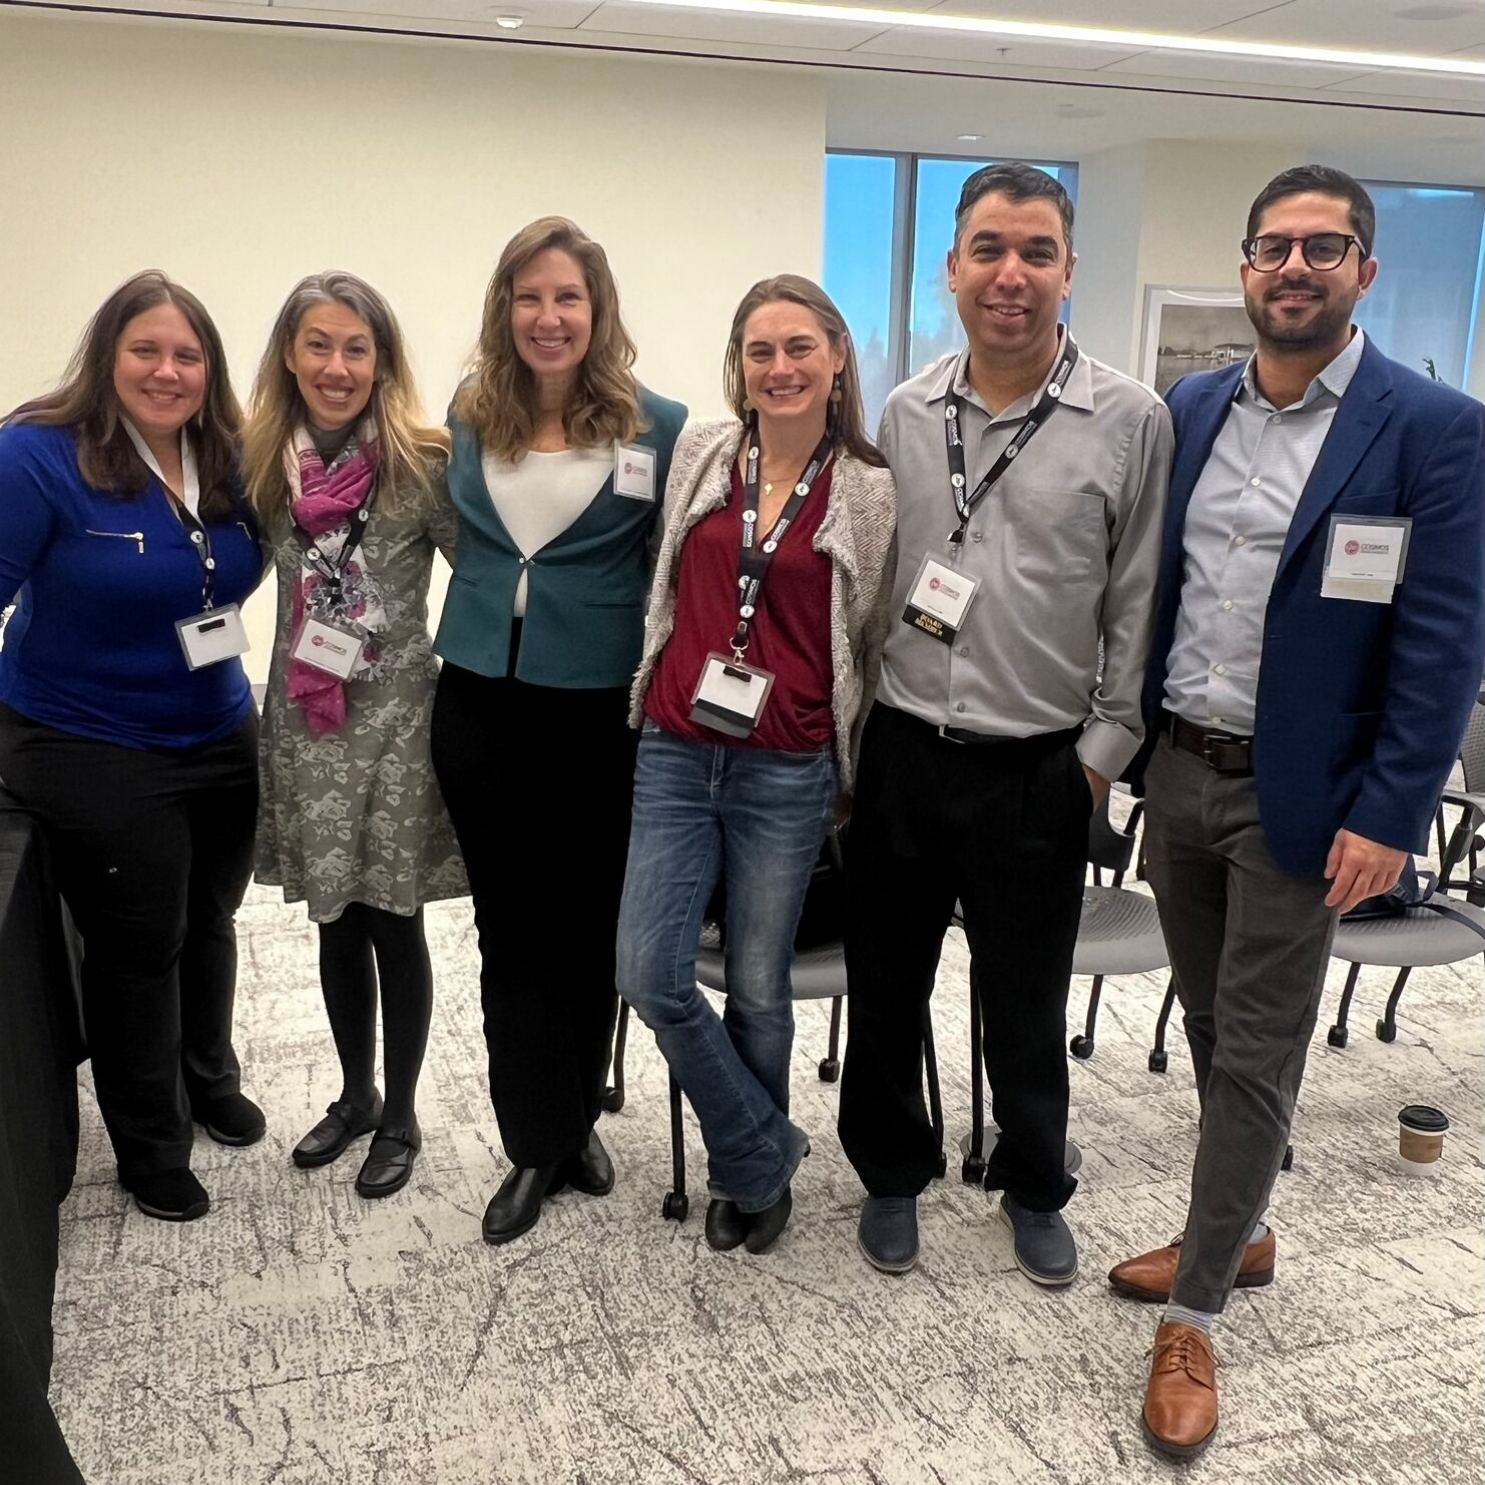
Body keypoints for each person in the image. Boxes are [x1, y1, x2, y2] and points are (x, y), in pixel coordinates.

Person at [1111, 165, 1485, 1459]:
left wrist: (1392, 811)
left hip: (1309, 795)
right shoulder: (1193, 405)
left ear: (1364, 272)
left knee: (1260, 1049)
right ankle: (1243, 1220)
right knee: (1216, 1024)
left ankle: (1200, 1312)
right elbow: (1155, 585)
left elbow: (1437, 646)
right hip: (1181, 770)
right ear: (1245, 266)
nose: (1296, 267)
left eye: (1325, 247)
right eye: (1274, 246)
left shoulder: (1429, 426)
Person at [838, 162, 1173, 1285]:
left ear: (1070, 271)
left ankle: (1033, 1180)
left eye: (1036, 252)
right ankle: (893, 1174)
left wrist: (1097, 764)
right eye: (988, 249)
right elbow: (882, 587)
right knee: (884, 986)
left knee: (1024, 1000)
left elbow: (1135, 602)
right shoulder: (903, 406)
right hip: (902, 749)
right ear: (953, 268)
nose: (1011, 275)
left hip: (1039, 766)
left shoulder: (1132, 420)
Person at [617, 276, 896, 1255]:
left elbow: (865, 631)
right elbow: (664, 583)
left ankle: (750, 1180)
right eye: (760, 350)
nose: (778, 368)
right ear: (737, 364)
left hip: (787, 766)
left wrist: (839, 749)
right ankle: (760, 1149)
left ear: (835, 357)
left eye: (798, 348)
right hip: (677, 746)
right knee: (648, 970)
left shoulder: (864, 484)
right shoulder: (699, 452)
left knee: (760, 985)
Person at [430, 217, 686, 1245]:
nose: (548, 316)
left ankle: (576, 1114)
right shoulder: (467, 414)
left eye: (567, 298)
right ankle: (535, 1139)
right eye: (529, 297)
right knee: (512, 929)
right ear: (506, 308)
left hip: (601, 712)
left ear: (597, 310)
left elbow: (676, 571)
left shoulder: (657, 426)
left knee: (590, 930)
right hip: (483, 704)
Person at [0, 270, 265, 1222]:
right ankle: (150, 1143)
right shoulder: (36, 453)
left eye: (187, 354)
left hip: (218, 719)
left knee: (211, 916)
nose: (167, 370)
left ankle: (207, 1075)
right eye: (145, 350)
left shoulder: (232, 453)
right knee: (138, 942)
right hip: (88, 735)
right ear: (106, 356)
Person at [245, 271, 467, 1199]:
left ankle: (405, 1113)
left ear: (382, 360)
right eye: (319, 346)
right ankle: (354, 1094)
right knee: (332, 917)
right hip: (306, 721)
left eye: (356, 348)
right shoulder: (261, 465)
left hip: (397, 723)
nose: (337, 367)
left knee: (392, 916)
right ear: (290, 356)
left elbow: (490, 573)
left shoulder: (422, 461)